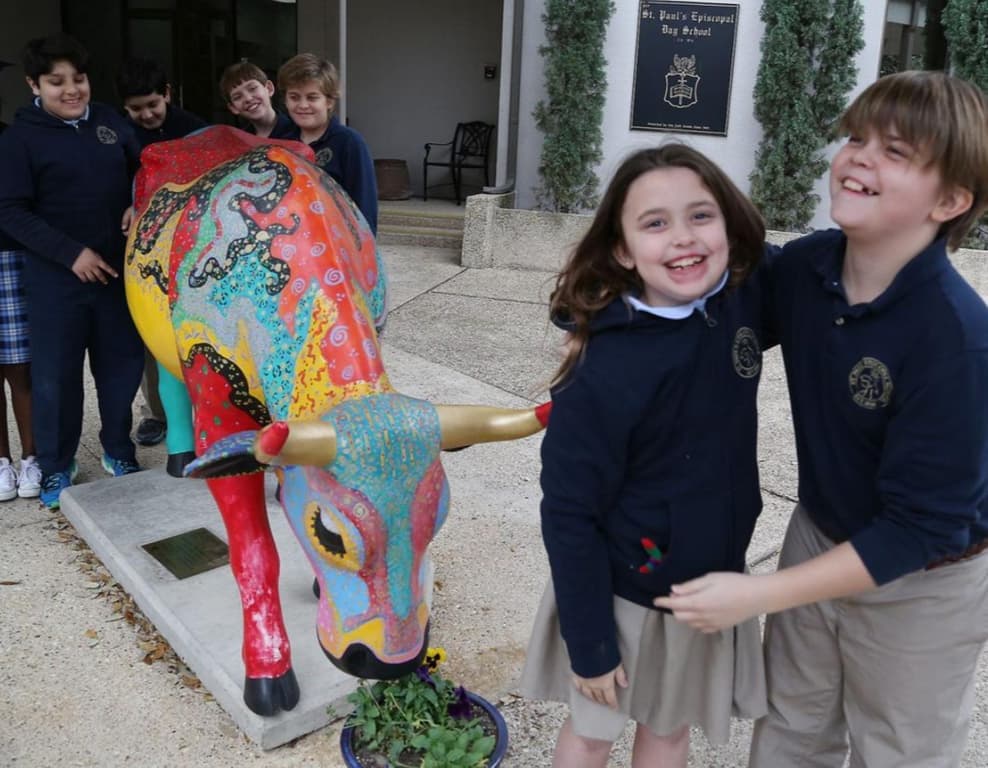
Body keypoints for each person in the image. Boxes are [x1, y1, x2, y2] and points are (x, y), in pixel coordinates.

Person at [656, 71, 988, 768]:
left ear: (952, 200)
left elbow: (920, 528)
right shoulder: (807, 269)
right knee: (789, 731)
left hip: (924, 580)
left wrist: (759, 593)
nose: (860, 157)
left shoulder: (956, 340)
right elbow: (714, 317)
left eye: (896, 152)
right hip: (820, 531)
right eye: (856, 138)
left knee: (900, 751)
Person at [520, 144, 769, 768]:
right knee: (593, 731)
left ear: (729, 226)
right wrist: (591, 642)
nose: (683, 238)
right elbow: (569, 513)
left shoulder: (737, 304)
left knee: (669, 731)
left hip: (710, 583)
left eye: (700, 216)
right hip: (619, 595)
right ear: (623, 249)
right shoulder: (604, 369)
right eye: (655, 223)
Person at [0, 33, 145, 510]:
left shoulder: (111, 123)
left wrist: (135, 204)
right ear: (33, 84)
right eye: (56, 81)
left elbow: (143, 173)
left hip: (117, 276)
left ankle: (118, 451)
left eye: (78, 79)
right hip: (56, 280)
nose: (71, 90)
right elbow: (11, 211)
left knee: (120, 370)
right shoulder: (20, 138)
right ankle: (57, 464)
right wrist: (70, 254)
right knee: (55, 379)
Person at [117, 55, 207, 449]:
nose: (146, 115)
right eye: (136, 109)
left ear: (167, 94)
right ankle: (155, 414)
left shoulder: (195, 131)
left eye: (153, 104)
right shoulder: (119, 134)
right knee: (151, 337)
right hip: (143, 255)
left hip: (192, 251)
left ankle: (205, 412)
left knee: (199, 336)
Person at [277, 53, 378, 234]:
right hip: (291, 246)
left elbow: (365, 208)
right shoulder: (281, 142)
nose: (302, 105)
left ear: (329, 101)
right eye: (294, 97)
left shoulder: (349, 143)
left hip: (336, 246)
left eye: (312, 97)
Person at [219, 60, 294, 140]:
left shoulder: (297, 132)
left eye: (252, 89)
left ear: (269, 88)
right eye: (238, 97)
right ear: (233, 108)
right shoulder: (240, 142)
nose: (248, 98)